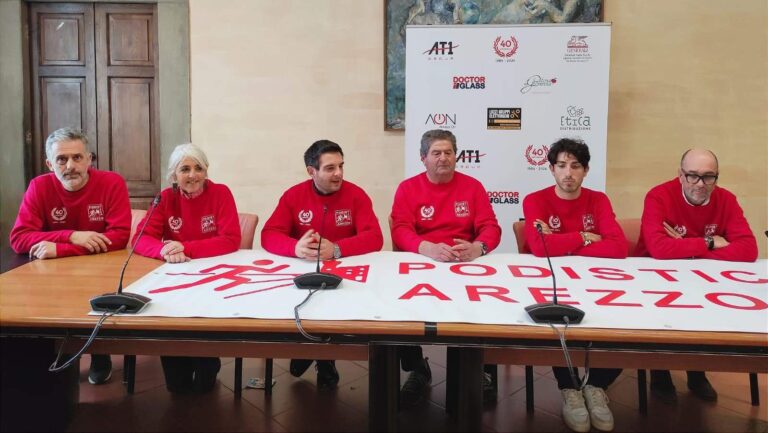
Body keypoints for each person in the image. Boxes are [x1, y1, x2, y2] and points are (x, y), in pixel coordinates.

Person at [9, 127, 131, 386]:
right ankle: (60, 360)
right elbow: (19, 238)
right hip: (52, 276)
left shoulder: (112, 182)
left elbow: (119, 236)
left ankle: (99, 354)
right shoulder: (39, 186)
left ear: (89, 159)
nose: (70, 166)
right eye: (61, 159)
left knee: (98, 301)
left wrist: (60, 248)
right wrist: (72, 236)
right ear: (49, 164)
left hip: (100, 271)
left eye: (77, 157)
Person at [636, 148, 758, 404]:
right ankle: (659, 372)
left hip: (703, 276)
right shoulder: (658, 196)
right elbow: (659, 249)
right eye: (693, 175)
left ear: (716, 177)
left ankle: (696, 370)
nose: (700, 184)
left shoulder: (726, 199)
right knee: (665, 311)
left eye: (708, 176)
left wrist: (685, 248)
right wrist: (709, 242)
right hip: (655, 275)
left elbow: (748, 249)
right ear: (680, 175)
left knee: (708, 308)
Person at [390, 129, 501, 406]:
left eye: (448, 152)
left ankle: (478, 368)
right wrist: (426, 247)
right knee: (398, 308)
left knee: (485, 304)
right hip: (423, 262)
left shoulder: (473, 186)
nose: (443, 158)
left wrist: (478, 248)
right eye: (436, 153)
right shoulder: (408, 188)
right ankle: (417, 368)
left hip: (464, 264)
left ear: (456, 156)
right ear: (423, 158)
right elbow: (401, 229)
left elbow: (490, 226)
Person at [261, 139, 383, 390]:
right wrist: (295, 247)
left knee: (333, 304)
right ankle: (315, 352)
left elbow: (375, 237)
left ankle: (317, 356)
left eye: (341, 166)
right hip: (304, 271)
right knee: (307, 304)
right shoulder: (293, 195)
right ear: (311, 171)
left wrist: (337, 249)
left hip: (345, 273)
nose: (338, 173)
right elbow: (269, 234)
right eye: (330, 168)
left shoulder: (356, 194)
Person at [522, 138, 625, 432]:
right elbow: (540, 248)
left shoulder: (598, 200)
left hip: (597, 279)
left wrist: (560, 241)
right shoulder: (535, 200)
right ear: (551, 169)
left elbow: (618, 247)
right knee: (555, 317)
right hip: (552, 279)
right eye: (562, 165)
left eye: (576, 166)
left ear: (586, 170)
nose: (568, 173)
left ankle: (595, 385)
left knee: (623, 319)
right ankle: (569, 388)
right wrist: (584, 236)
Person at [133, 143, 241, 393]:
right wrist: (163, 250)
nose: (193, 175)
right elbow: (140, 238)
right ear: (174, 174)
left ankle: (208, 365)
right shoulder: (165, 197)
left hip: (214, 274)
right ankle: (178, 366)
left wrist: (186, 247)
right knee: (176, 385)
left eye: (198, 168)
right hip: (176, 272)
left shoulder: (221, 192)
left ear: (206, 170)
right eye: (185, 169)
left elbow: (231, 239)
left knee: (204, 383)